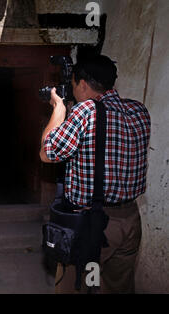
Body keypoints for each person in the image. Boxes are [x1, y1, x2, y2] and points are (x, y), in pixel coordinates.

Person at [39, 55, 151, 293]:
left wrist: (59, 108)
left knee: (73, 286)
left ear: (82, 84)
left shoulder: (86, 111)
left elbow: (47, 152)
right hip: (130, 219)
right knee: (118, 287)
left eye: (73, 86)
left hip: (93, 224)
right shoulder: (139, 111)